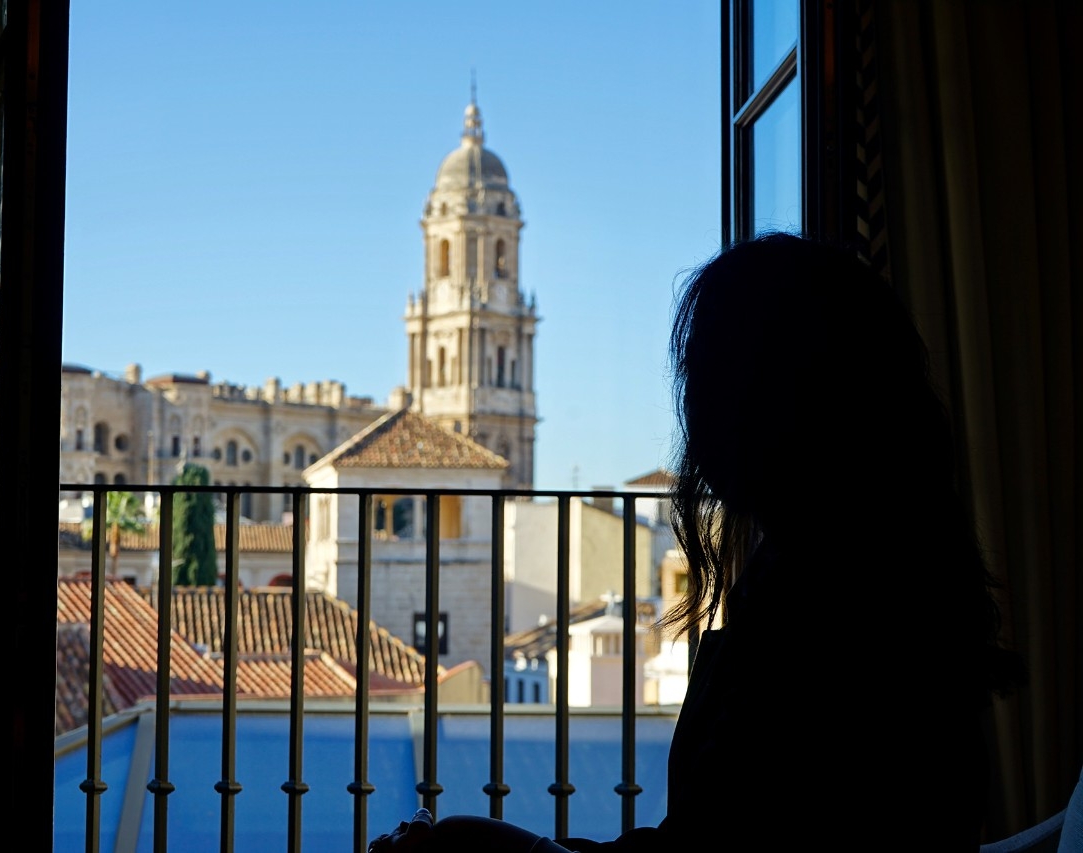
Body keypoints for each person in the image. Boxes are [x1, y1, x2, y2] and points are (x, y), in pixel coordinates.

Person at [368, 233, 1024, 852]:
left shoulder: (822, 612)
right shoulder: (863, 576)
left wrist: (466, 841)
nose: (690, 405)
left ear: (779, 399)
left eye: (704, 373)